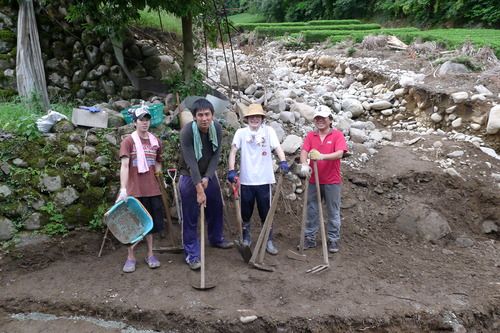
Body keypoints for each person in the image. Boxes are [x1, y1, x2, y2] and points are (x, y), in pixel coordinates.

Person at [227, 104, 290, 255]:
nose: (254, 119)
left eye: (258, 117)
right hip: (247, 180)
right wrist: (231, 170)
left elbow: (277, 148)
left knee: (265, 212)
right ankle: (247, 237)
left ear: (262, 119)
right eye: (251, 117)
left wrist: (283, 161)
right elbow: (233, 151)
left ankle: (267, 239)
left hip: (264, 179)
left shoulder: (268, 131)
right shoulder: (241, 133)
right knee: (246, 212)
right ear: (247, 119)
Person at [179, 98, 233, 270]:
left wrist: (208, 177)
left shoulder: (216, 128)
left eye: (207, 115)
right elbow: (190, 162)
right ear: (194, 117)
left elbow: (216, 155)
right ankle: (192, 254)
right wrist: (199, 188)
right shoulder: (186, 132)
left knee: (216, 206)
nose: (204, 118)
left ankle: (216, 239)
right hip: (189, 175)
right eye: (200, 115)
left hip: (208, 175)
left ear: (213, 115)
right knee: (191, 214)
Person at [116, 105, 164, 273]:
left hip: (152, 189)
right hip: (134, 191)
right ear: (134, 122)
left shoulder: (155, 141)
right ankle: (130, 257)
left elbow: (158, 161)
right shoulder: (128, 142)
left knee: (150, 225)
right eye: (141, 120)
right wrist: (123, 189)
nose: (145, 123)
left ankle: (150, 254)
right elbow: (124, 165)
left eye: (147, 120)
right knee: (132, 225)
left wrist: (158, 173)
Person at [298, 106, 348, 253]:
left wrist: (321, 156)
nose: (320, 121)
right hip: (314, 180)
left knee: (333, 210)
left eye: (323, 118)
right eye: (317, 118)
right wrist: (303, 164)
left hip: (332, 181)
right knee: (312, 209)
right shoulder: (310, 136)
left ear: (330, 120)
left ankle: (333, 239)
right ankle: (310, 238)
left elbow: (339, 154)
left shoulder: (337, 135)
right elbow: (304, 151)